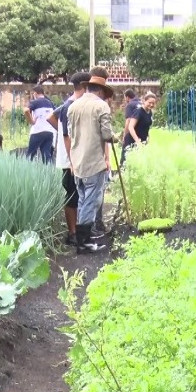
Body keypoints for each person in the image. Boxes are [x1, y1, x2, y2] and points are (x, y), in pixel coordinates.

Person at [67, 68, 115, 254]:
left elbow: (71, 134)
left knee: (82, 200)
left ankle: (82, 239)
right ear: (101, 91)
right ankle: (84, 242)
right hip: (93, 161)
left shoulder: (73, 106)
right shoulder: (101, 107)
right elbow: (106, 134)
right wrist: (114, 138)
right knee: (92, 201)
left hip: (77, 161)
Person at [47, 71, 91, 246]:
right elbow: (66, 135)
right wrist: (71, 155)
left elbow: (51, 117)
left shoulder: (69, 104)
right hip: (70, 161)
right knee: (72, 196)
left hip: (74, 158)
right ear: (85, 86)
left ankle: (78, 231)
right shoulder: (70, 106)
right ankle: (72, 233)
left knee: (77, 195)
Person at [121, 92, 156, 165]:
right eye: (149, 102)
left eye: (153, 103)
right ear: (144, 101)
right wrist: (137, 141)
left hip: (142, 141)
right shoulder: (139, 111)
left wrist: (148, 138)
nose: (151, 105)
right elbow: (130, 127)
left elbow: (146, 127)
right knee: (126, 164)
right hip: (131, 141)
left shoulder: (149, 112)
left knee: (140, 163)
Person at [24, 85, 57, 163]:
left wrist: (31, 121)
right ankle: (48, 173)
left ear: (35, 93)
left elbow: (26, 110)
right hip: (49, 132)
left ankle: (27, 172)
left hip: (37, 131)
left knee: (30, 155)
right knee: (46, 155)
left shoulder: (35, 102)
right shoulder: (50, 103)